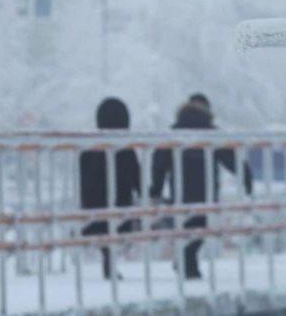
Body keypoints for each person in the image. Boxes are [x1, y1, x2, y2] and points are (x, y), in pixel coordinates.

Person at [150, 93, 252, 280]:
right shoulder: (212, 134)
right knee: (200, 229)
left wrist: (155, 190)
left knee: (185, 228)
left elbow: (159, 164)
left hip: (180, 193)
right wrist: (246, 178)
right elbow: (233, 160)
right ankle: (188, 264)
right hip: (206, 192)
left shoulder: (172, 134)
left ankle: (187, 263)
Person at [78, 97, 141, 279]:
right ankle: (110, 263)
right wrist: (145, 192)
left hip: (95, 202)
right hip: (120, 201)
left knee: (104, 232)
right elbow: (137, 174)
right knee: (115, 231)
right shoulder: (125, 148)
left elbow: (84, 176)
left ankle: (108, 260)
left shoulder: (89, 147)